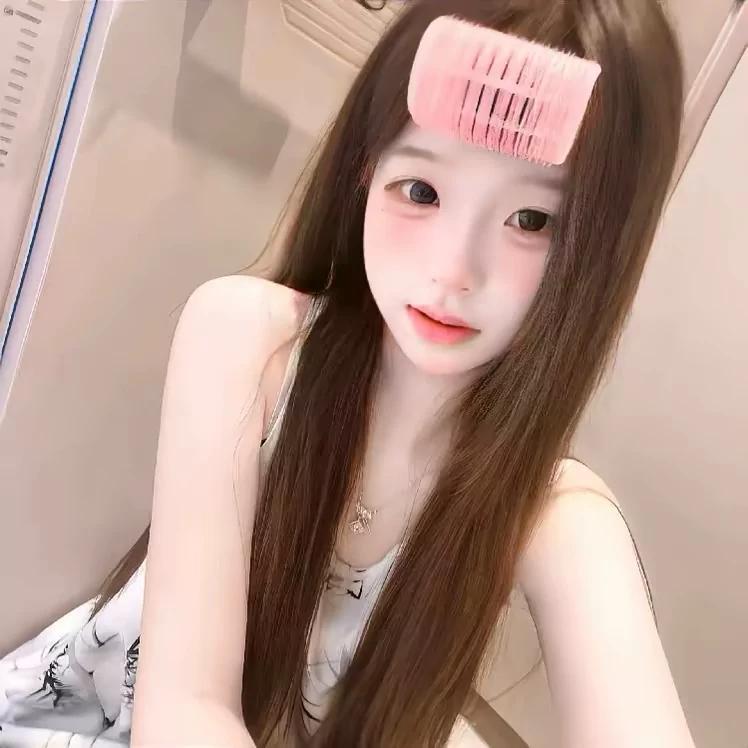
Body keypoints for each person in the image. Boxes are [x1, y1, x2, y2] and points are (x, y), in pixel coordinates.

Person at [0, 0, 696, 746]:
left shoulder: (558, 516)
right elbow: (184, 706)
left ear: (599, 250)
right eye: (422, 191)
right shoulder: (246, 339)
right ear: (368, 169)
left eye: (532, 221)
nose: (453, 271)